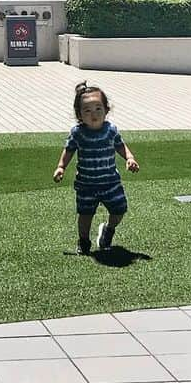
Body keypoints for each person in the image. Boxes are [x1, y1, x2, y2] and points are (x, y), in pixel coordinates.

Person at [54, 82, 139, 255]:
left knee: (119, 209)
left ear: (106, 110)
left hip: (110, 182)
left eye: (98, 108)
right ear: (79, 115)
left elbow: (120, 145)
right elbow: (69, 149)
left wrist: (129, 158)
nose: (94, 114)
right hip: (86, 184)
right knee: (85, 215)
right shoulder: (78, 132)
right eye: (87, 110)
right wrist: (61, 167)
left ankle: (108, 230)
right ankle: (84, 241)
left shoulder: (110, 130)